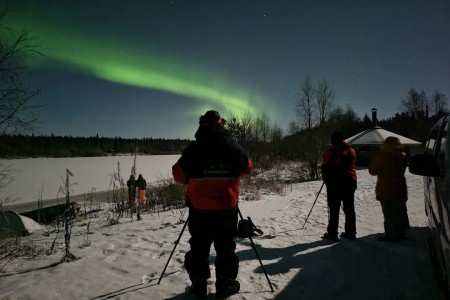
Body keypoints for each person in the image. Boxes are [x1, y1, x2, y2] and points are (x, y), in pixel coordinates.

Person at [172, 110, 252, 299]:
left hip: (199, 209)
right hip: (227, 207)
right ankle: (225, 285)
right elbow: (247, 168)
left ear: (202, 125)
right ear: (220, 124)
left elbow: (178, 175)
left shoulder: (194, 148)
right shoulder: (232, 146)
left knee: (199, 247)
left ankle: (199, 284)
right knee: (225, 248)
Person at [368, 136, 409, 242]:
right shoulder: (402, 156)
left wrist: (374, 157)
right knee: (400, 212)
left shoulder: (383, 156)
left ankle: (391, 235)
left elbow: (373, 171)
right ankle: (402, 233)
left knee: (389, 214)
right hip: (400, 188)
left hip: (386, 189)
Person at [321, 131, 357, 242]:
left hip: (335, 184)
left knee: (334, 209)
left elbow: (324, 165)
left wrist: (327, 181)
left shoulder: (331, 151)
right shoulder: (351, 150)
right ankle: (351, 232)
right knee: (349, 208)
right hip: (350, 182)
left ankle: (332, 234)